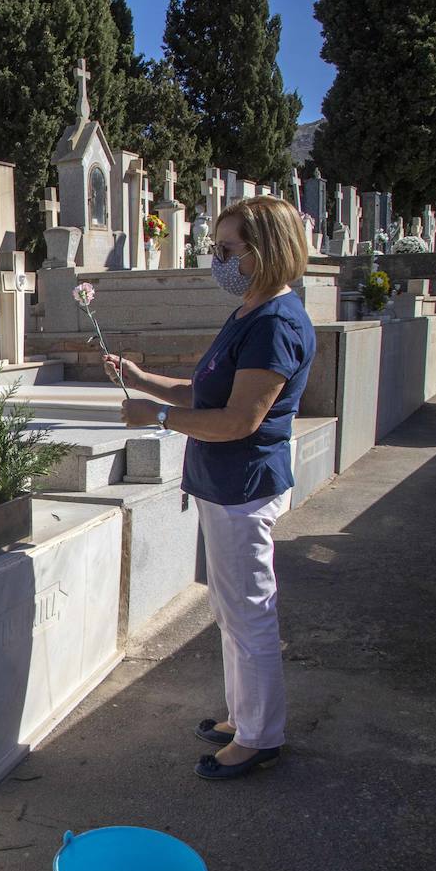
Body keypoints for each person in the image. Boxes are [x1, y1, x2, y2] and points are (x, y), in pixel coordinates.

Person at [106, 195, 316, 780]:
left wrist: (154, 416)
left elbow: (237, 420)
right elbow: (208, 391)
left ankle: (260, 736)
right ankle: (243, 715)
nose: (218, 261)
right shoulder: (251, 310)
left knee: (249, 612)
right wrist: (145, 381)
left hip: (243, 490)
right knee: (229, 609)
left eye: (228, 250)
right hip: (223, 488)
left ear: (264, 251)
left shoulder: (276, 323)